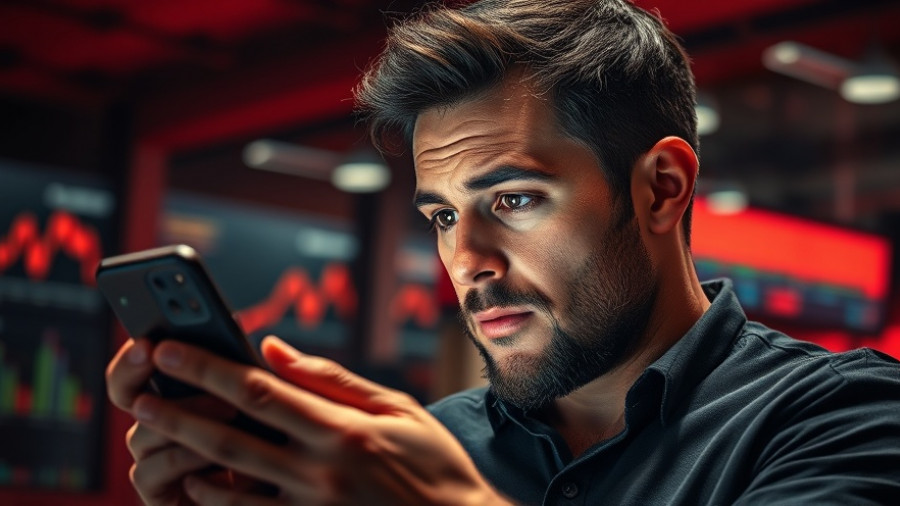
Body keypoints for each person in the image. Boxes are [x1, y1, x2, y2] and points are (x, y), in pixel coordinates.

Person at [105, 0, 900, 504]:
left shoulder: (847, 418)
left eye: (513, 201)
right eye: (443, 217)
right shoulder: (428, 445)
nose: (467, 262)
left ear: (661, 187)